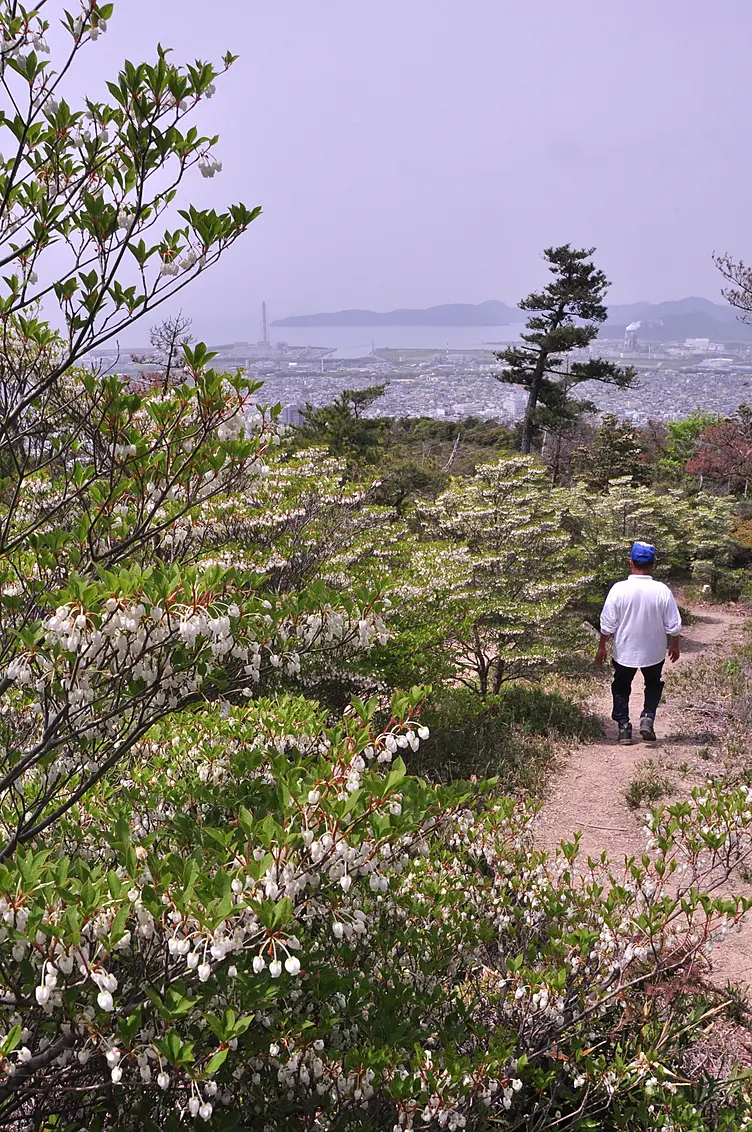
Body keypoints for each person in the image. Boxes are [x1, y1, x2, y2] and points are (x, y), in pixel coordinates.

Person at [595, 541, 683, 744]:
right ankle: (647, 717)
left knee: (621, 685)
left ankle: (624, 727)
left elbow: (607, 624)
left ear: (630, 562)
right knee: (653, 684)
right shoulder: (662, 590)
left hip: (625, 650)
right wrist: (675, 645)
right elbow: (674, 625)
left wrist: (601, 647)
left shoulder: (619, 589)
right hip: (654, 651)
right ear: (653, 564)